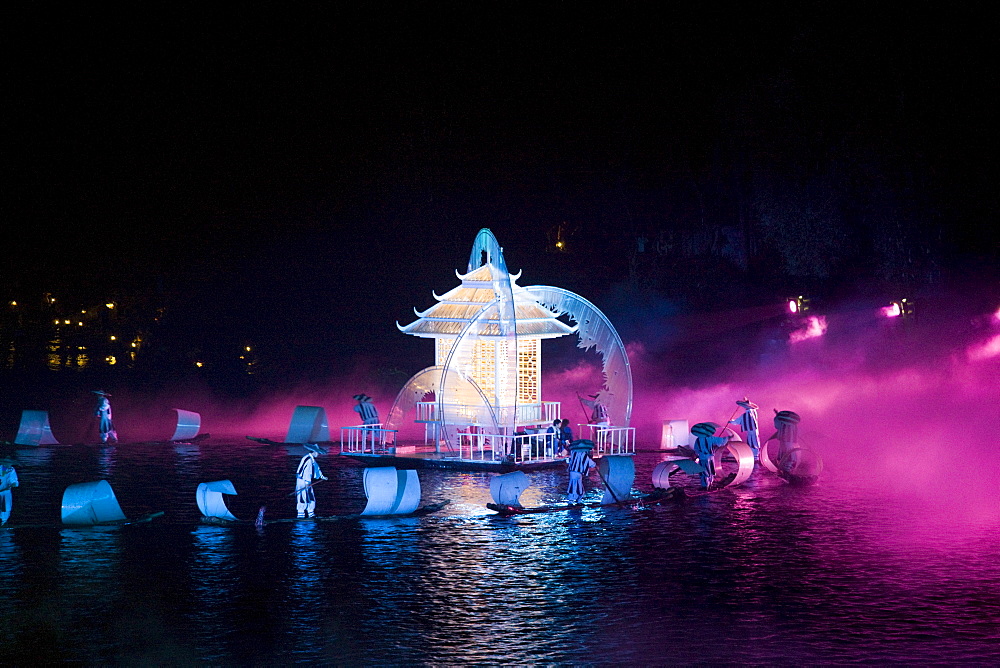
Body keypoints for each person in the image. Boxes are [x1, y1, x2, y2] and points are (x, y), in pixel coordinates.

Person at [691, 422, 731, 489]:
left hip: (702, 458)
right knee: (710, 471)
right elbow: (722, 442)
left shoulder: (698, 440)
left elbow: (696, 450)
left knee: (704, 472)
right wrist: (728, 437)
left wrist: (696, 455)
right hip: (710, 458)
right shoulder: (711, 438)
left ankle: (705, 486)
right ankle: (709, 485)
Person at [295, 443, 328, 518]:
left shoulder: (311, 459)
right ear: (314, 452)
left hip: (306, 480)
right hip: (302, 480)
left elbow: (316, 469)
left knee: (309, 495)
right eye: (317, 453)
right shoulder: (308, 459)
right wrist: (306, 482)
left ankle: (310, 513)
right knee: (303, 496)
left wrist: (322, 477)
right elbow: (304, 471)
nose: (318, 454)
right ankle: (301, 514)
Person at [768, 410, 801, 474]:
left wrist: (777, 417)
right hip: (791, 441)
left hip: (784, 440)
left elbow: (777, 427)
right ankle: (788, 469)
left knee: (785, 454)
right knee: (790, 454)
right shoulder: (794, 423)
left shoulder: (780, 421)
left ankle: (786, 470)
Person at [0, 460, 19, 525]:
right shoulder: (2, 468)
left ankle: (3, 522)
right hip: (3, 491)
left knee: (5, 508)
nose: (9, 465)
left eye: (10, 463)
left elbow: (13, 480)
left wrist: (13, 483)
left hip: (5, 492)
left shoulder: (11, 469)